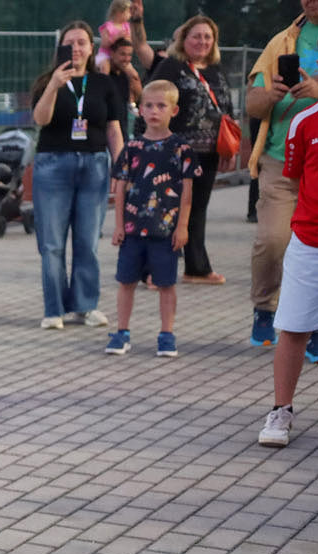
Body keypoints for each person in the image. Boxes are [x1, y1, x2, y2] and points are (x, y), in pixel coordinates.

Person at [31, 21, 125, 330]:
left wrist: (121, 166)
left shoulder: (103, 84)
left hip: (94, 165)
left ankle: (86, 305)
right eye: (69, 43)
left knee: (87, 239)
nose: (76, 48)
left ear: (91, 48)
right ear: (60, 47)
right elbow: (40, 119)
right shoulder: (47, 81)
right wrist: (54, 85)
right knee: (52, 243)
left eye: (81, 42)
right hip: (53, 165)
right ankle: (54, 309)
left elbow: (113, 129)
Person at [104, 80, 200, 358]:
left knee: (166, 284)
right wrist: (119, 225)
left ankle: (166, 334)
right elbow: (120, 188)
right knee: (126, 281)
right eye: (148, 105)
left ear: (174, 110)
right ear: (140, 110)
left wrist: (182, 227)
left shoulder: (181, 149)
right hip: (133, 230)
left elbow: (187, 192)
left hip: (166, 232)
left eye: (161, 105)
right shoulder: (132, 147)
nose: (154, 111)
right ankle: (122, 332)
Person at [245, 3, 318, 358]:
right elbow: (252, 104)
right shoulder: (282, 42)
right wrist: (270, 95)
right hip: (280, 160)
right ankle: (264, 307)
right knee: (274, 240)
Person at [147, 15, 232, 285]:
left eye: (208, 37)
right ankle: (151, 269)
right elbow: (152, 101)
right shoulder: (172, 67)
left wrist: (228, 148)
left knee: (197, 210)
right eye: (196, 36)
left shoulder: (216, 69)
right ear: (184, 39)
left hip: (209, 152)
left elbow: (227, 108)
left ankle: (197, 268)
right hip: (176, 151)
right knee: (167, 208)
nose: (202, 41)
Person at [259, 99, 318, 447]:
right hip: (309, 241)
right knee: (295, 327)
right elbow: (294, 178)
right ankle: (281, 410)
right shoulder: (304, 122)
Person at [106, 37, 143, 141]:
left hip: (122, 133)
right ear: (112, 54)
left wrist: (135, 77)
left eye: (129, 55)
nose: (126, 59)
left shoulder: (127, 75)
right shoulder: (104, 74)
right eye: (122, 54)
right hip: (105, 134)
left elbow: (139, 97)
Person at [96, 0, 133, 75]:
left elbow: (130, 43)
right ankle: (104, 81)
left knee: (132, 73)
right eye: (128, 12)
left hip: (120, 57)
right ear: (119, 12)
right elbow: (104, 44)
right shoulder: (107, 26)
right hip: (105, 55)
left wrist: (127, 39)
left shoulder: (126, 26)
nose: (131, 15)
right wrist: (116, 37)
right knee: (105, 68)